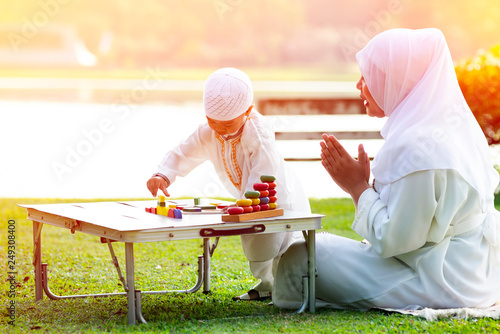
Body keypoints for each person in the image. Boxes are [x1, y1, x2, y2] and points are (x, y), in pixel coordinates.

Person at [272, 28, 500, 310]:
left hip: (439, 279)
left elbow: (393, 241)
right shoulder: (446, 128)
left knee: (300, 257)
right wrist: (368, 187)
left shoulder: (418, 145)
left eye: (367, 77)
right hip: (474, 273)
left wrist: (357, 187)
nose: (358, 85)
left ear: (393, 81)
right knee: (311, 251)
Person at [147, 67, 311, 301]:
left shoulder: (258, 133)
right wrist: (163, 175)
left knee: (280, 240)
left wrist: (247, 202)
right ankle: (267, 285)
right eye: (213, 122)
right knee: (256, 246)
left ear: (248, 111)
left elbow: (265, 171)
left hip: (274, 193)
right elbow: (184, 151)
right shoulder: (209, 132)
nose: (220, 130)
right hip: (248, 200)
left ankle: (289, 286)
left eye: (227, 124)